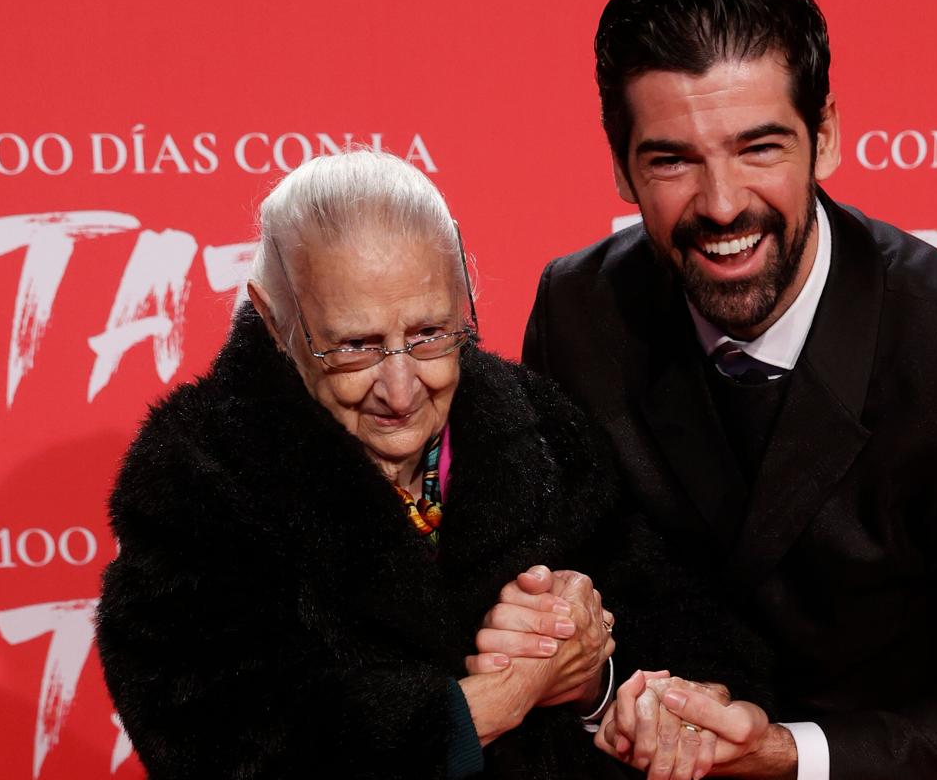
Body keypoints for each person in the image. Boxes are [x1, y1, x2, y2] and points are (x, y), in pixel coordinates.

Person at [514, 0, 937, 780]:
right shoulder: (579, 312)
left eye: (760, 148)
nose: (721, 204)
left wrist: (786, 755)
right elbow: (567, 592)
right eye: (672, 159)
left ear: (825, 137)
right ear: (621, 167)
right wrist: (604, 686)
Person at [96, 150, 687, 779]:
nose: (401, 389)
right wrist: (498, 699)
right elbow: (218, 742)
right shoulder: (197, 476)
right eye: (355, 346)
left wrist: (591, 672)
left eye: (431, 332)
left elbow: (687, 649)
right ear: (275, 321)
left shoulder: (545, 428)